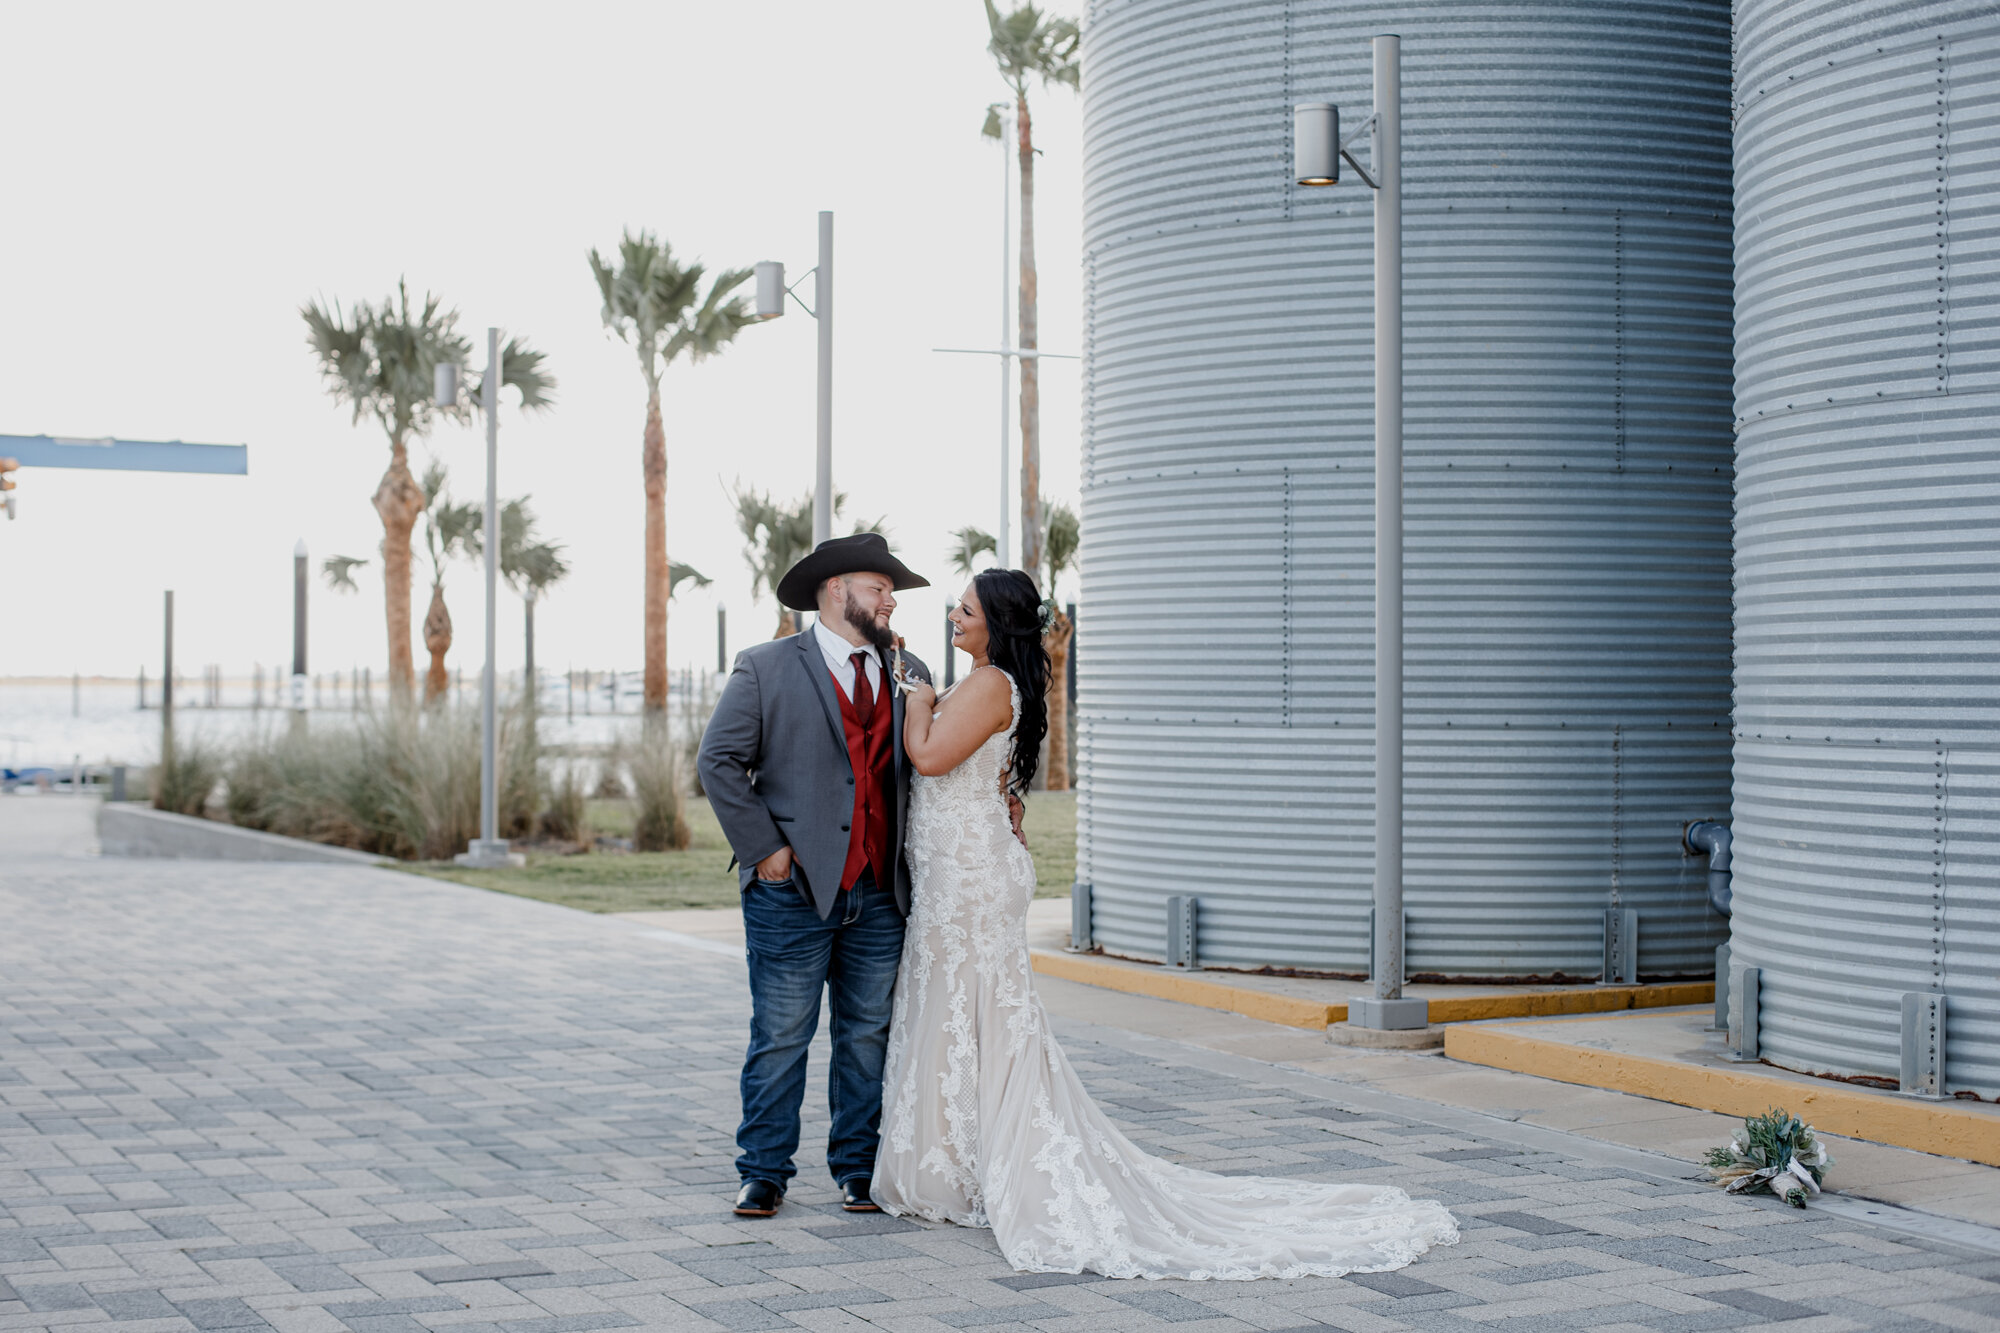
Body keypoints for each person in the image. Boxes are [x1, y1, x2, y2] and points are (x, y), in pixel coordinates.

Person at [873, 568, 1459, 1279]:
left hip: (970, 885)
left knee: (982, 1019)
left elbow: (930, 754)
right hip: (956, 878)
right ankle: (956, 1162)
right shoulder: (988, 682)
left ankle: (989, 1165)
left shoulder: (988, 683)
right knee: (961, 1018)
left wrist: (919, 698)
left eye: (964, 607)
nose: (954, 614)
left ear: (996, 621)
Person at [697, 532, 932, 1219]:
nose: (890, 600)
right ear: (837, 590)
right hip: (790, 892)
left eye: (890, 591)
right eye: (879, 587)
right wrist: (765, 848)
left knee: (866, 1035)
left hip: (880, 891)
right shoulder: (766, 666)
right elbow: (718, 761)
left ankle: (859, 1168)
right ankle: (763, 1171)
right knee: (781, 1034)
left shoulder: (908, 668)